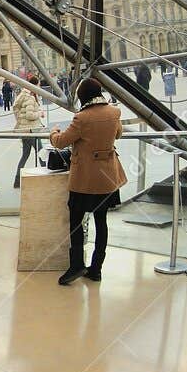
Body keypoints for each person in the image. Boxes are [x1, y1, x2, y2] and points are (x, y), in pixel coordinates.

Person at [51, 79, 126, 285]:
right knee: (101, 222)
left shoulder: (82, 118)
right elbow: (118, 134)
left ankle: (76, 266)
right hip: (107, 178)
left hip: (84, 180)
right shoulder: (114, 113)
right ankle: (96, 269)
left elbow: (60, 142)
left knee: (76, 221)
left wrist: (53, 132)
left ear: (83, 96)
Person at [12, 85, 46, 187]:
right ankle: (47, 177)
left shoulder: (22, 96)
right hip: (31, 130)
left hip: (24, 129)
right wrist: (40, 113)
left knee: (25, 155)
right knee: (41, 153)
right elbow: (29, 115)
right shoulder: (30, 98)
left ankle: (17, 181)